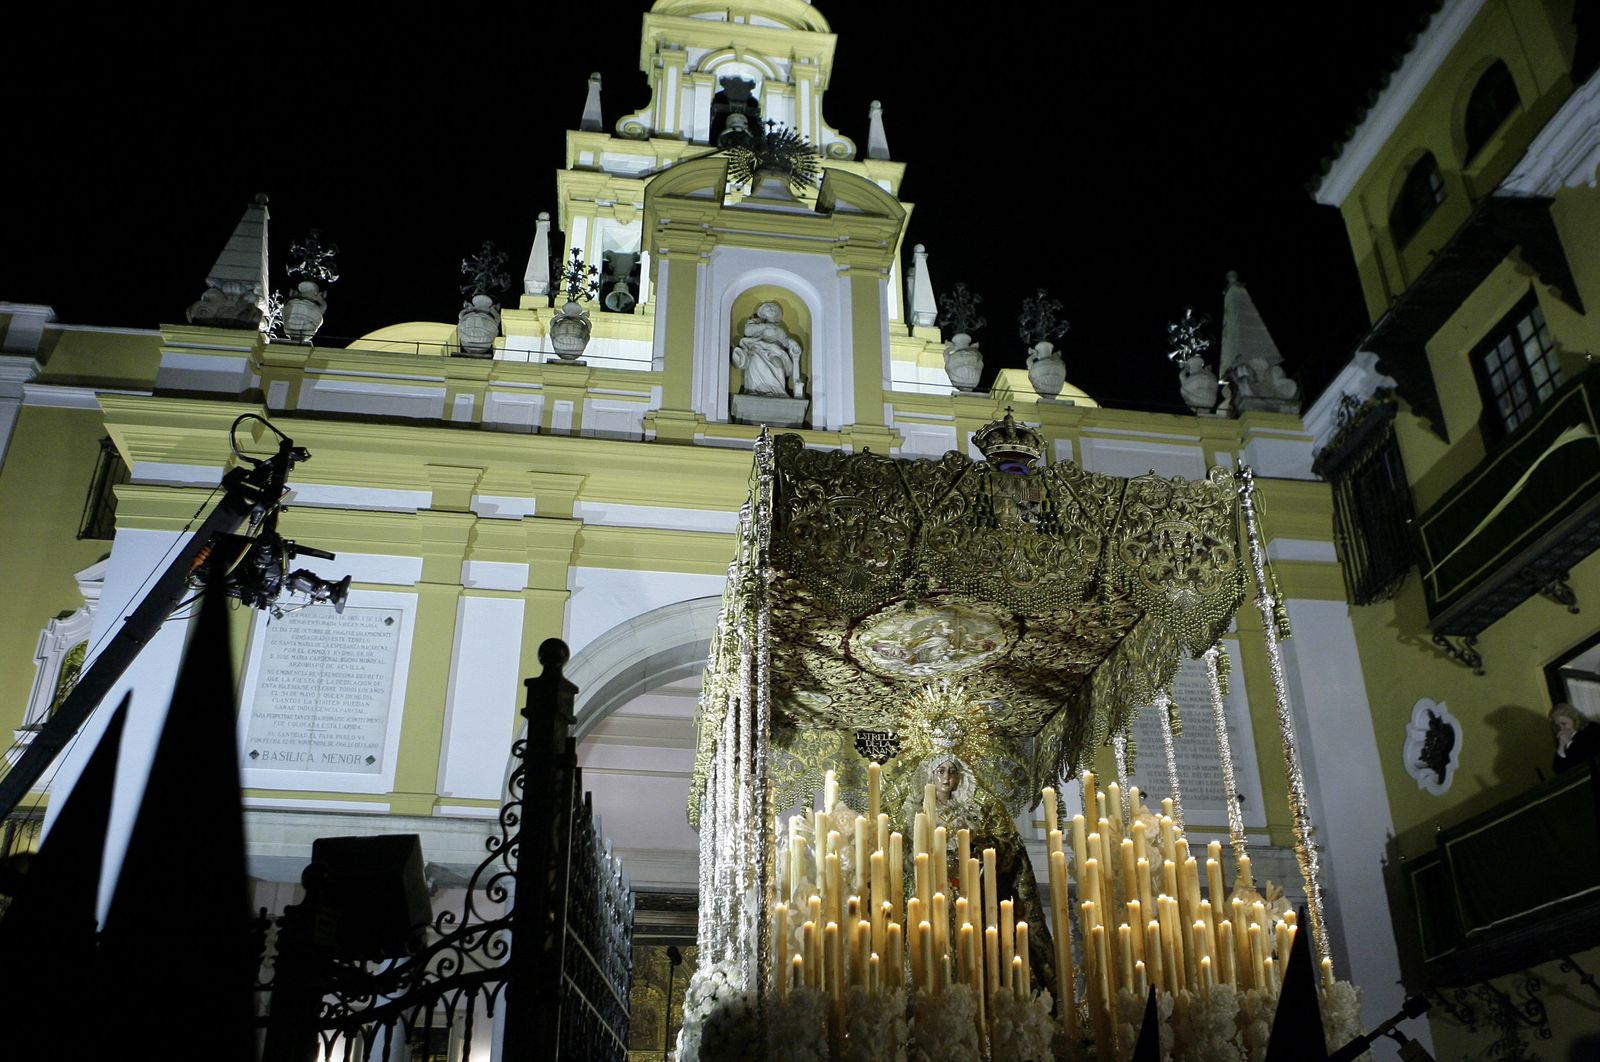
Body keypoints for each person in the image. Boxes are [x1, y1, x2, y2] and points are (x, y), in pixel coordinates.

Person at [731, 301, 803, 397]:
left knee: (778, 364)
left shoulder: (779, 330)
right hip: (757, 350)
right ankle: (755, 389)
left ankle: (778, 391)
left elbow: (786, 341)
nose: (771, 309)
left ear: (777, 315)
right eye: (768, 308)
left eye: (773, 309)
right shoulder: (756, 325)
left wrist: (793, 343)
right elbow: (748, 332)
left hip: (774, 352)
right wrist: (765, 326)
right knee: (755, 360)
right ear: (763, 314)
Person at [1550, 703, 1600, 773]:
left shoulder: (1592, 728)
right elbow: (1558, 770)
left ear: (1574, 719)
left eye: (1564, 724)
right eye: (1557, 726)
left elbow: (1585, 759)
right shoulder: (1564, 740)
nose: (1561, 729)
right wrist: (1561, 747)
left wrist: (1569, 743)